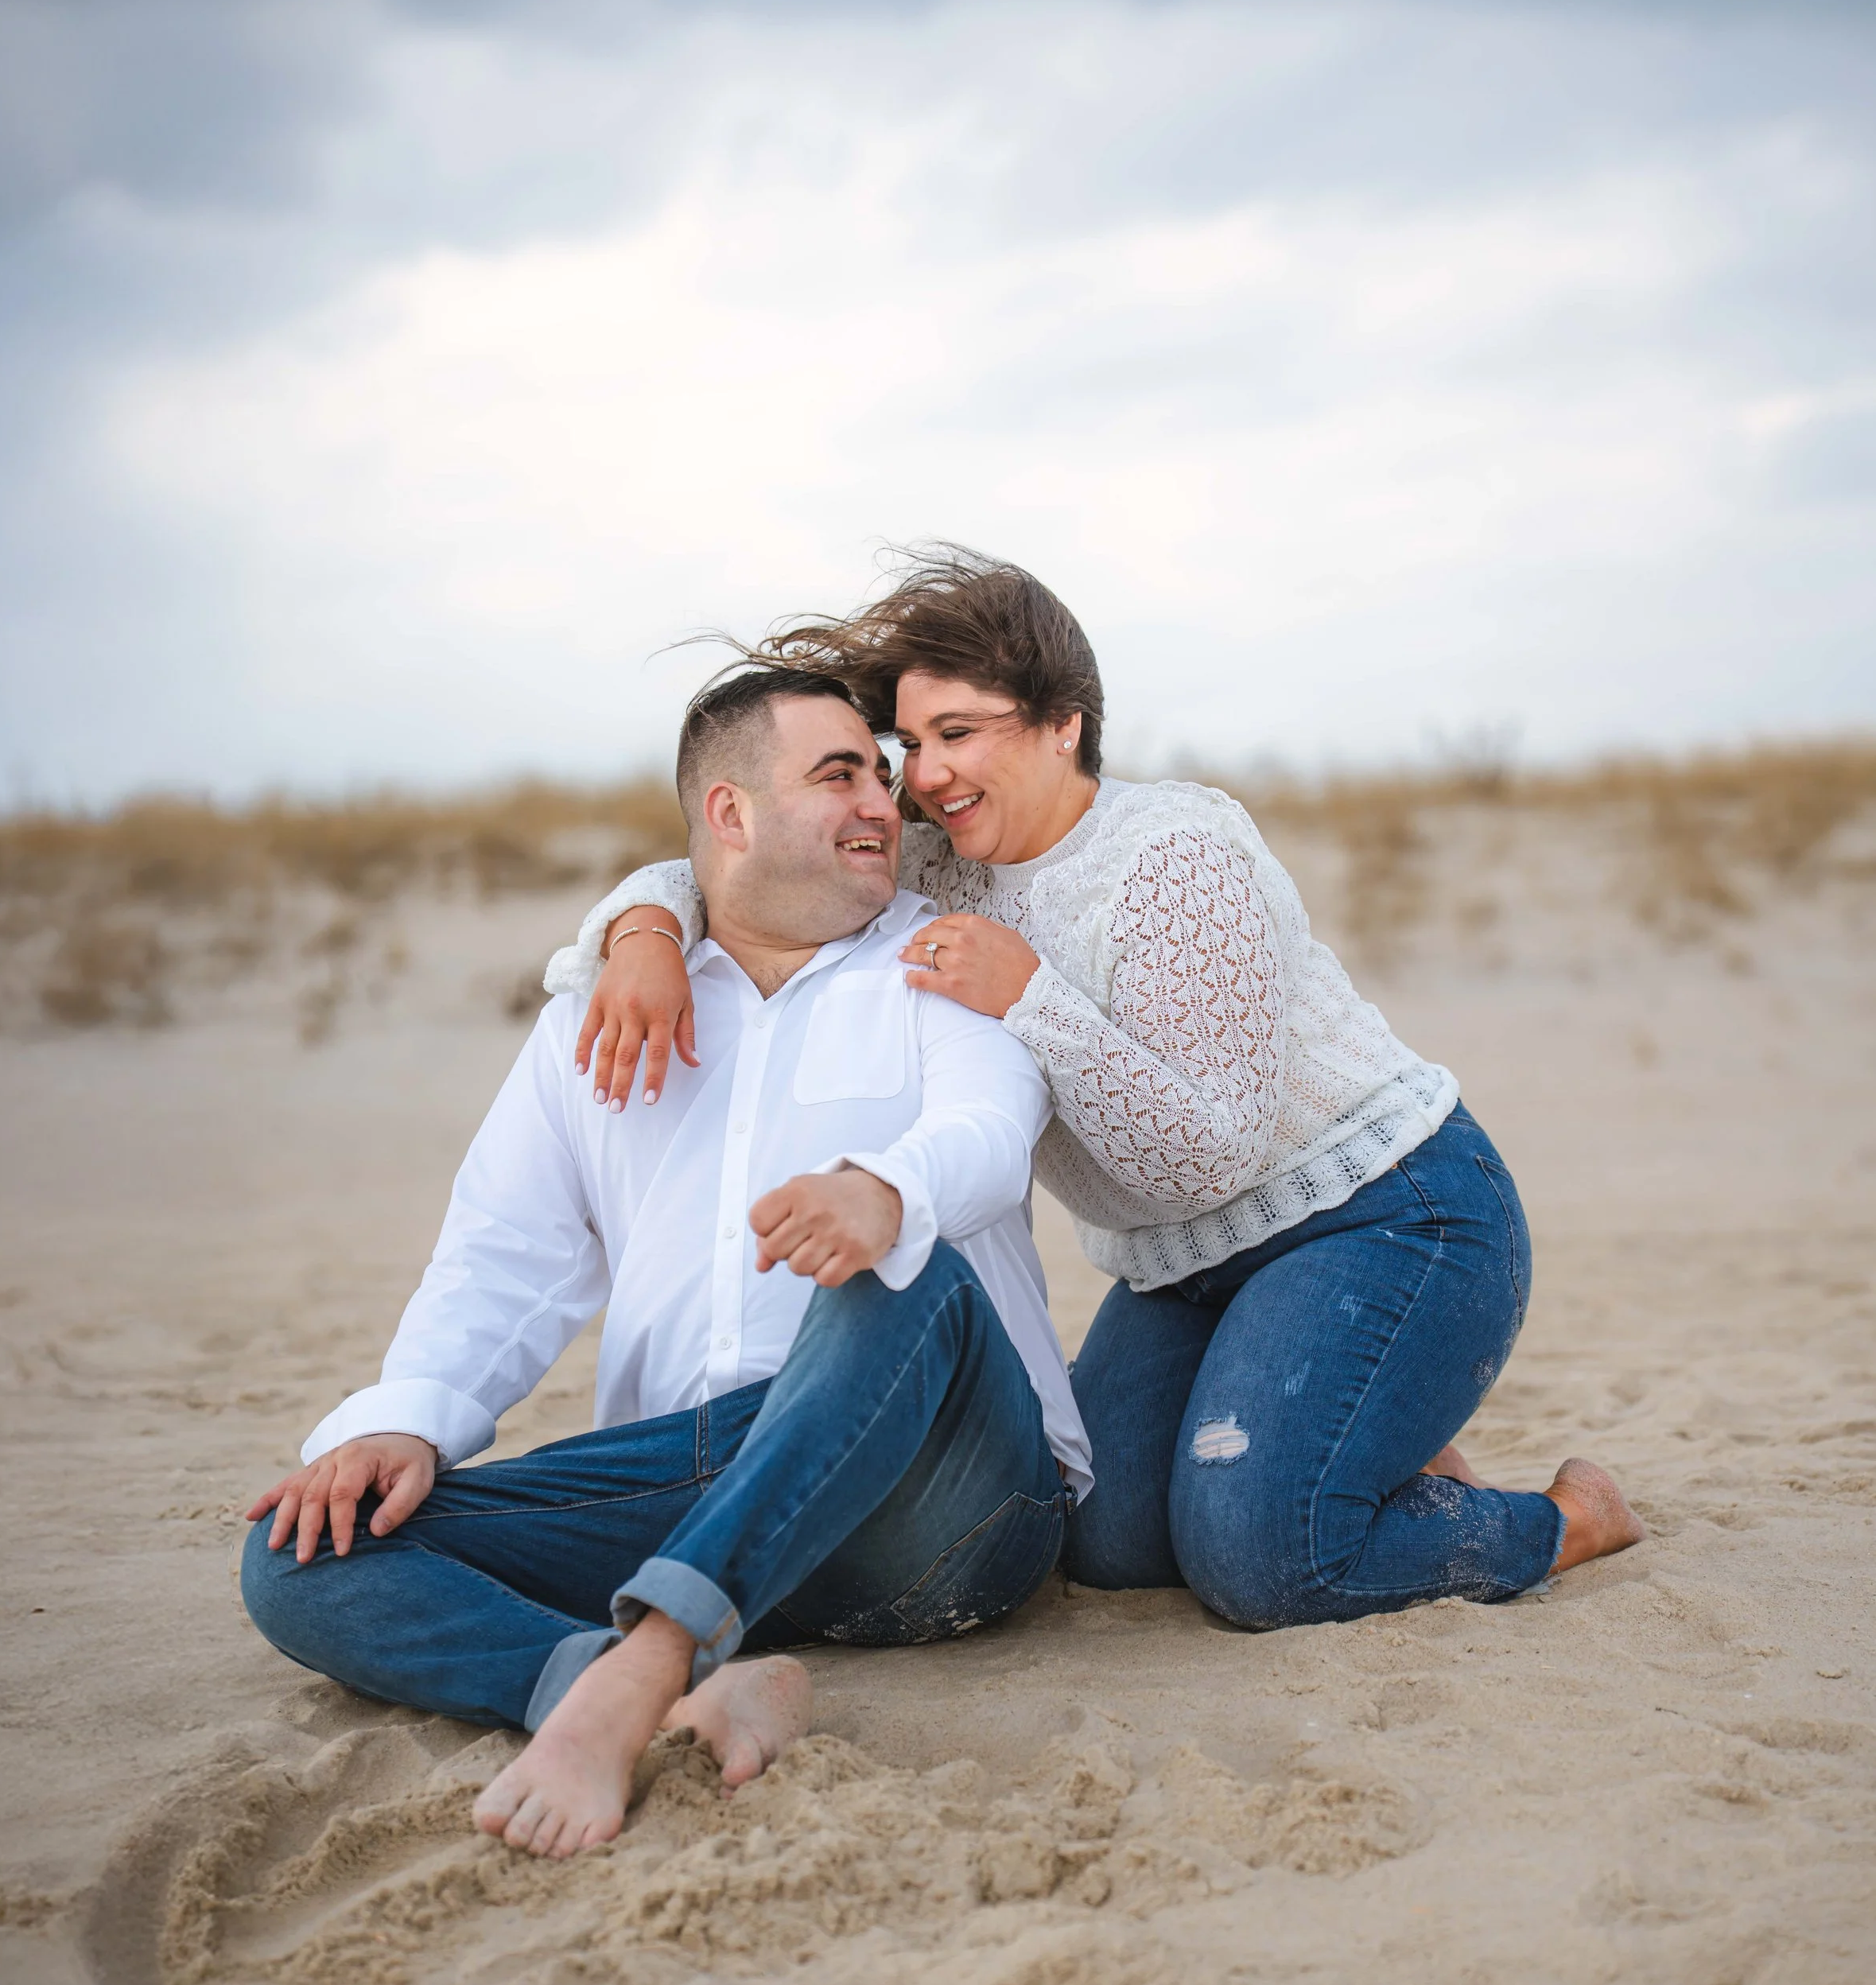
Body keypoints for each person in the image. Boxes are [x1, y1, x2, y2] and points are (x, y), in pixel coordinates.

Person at [561, 548, 1644, 1633]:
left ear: (1063, 723)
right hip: (1186, 1269)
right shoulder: (943, 867)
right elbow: (759, 859)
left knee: (1262, 1559)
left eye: (960, 733)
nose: (924, 776)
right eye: (909, 745)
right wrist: (648, 926)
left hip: (1384, 1215)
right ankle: (1357, 1429)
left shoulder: (1174, 853)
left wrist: (1030, 997)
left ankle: (1563, 1518)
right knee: (1109, 1541)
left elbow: (1212, 1155)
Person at [242, 665, 1087, 1860]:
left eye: (882, 776)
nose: (881, 804)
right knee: (306, 1550)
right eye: (839, 773)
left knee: (906, 1269)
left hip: (931, 1497)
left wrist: (885, 1189)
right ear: (729, 814)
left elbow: (992, 1136)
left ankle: (649, 1661)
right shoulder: (602, 1007)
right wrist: (408, 1422)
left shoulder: (943, 965)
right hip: (693, 1479)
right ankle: (631, 1676)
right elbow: (506, 1246)